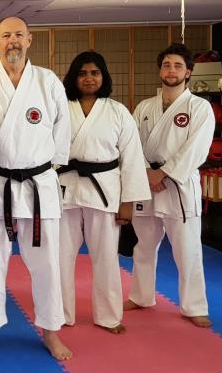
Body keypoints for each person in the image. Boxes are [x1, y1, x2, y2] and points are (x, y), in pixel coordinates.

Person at [0, 17, 72, 360]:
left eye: (19, 35)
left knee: (47, 264)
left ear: (29, 40)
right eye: (6, 35)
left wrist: (50, 168)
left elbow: (62, 129)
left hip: (39, 184)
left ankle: (51, 330)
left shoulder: (48, 81)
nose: (13, 41)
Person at [58, 51, 150, 333]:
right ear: (74, 77)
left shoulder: (118, 111)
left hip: (104, 189)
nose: (89, 78)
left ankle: (108, 316)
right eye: (82, 73)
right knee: (59, 257)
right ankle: (59, 314)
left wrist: (128, 202)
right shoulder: (59, 108)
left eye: (94, 73)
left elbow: (132, 159)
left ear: (104, 77)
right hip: (65, 188)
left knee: (107, 258)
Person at [125, 43, 214, 328]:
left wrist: (163, 174)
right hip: (146, 184)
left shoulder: (199, 107)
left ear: (188, 72)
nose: (171, 70)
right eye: (166, 65)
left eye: (177, 66)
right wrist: (146, 173)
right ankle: (141, 296)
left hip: (177, 186)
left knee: (187, 250)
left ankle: (194, 306)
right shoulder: (144, 107)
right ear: (160, 70)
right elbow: (131, 144)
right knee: (143, 246)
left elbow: (196, 149)